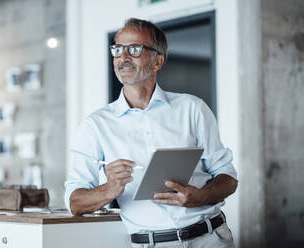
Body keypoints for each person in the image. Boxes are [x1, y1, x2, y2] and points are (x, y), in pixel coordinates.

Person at [64, 18, 238, 248]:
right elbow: (74, 202)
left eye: (134, 49)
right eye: (117, 49)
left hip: (209, 239)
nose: (123, 57)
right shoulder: (95, 125)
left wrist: (201, 196)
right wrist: (109, 189)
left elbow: (228, 178)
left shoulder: (191, 108)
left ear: (158, 61)